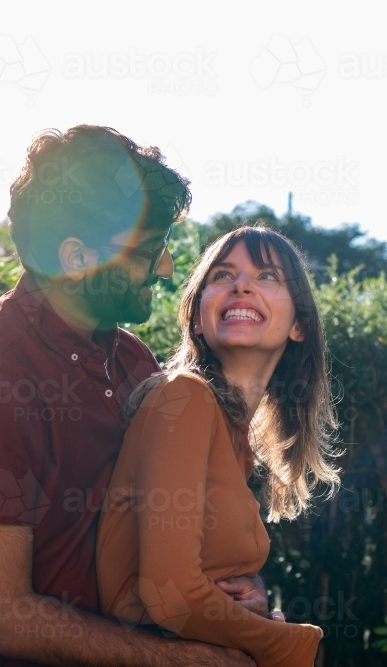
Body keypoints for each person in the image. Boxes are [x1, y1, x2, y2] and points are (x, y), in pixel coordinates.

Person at [0, 126, 267, 667]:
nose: (167, 267)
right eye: (149, 251)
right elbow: (3, 617)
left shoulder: (131, 360)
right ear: (76, 258)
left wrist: (238, 596)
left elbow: (162, 543)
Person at [97, 227, 342, 667]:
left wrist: (248, 598)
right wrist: (283, 644)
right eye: (223, 274)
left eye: (267, 276)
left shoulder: (233, 437)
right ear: (196, 317)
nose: (242, 284)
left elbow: (197, 585)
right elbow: (167, 593)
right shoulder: (183, 398)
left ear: (300, 325)